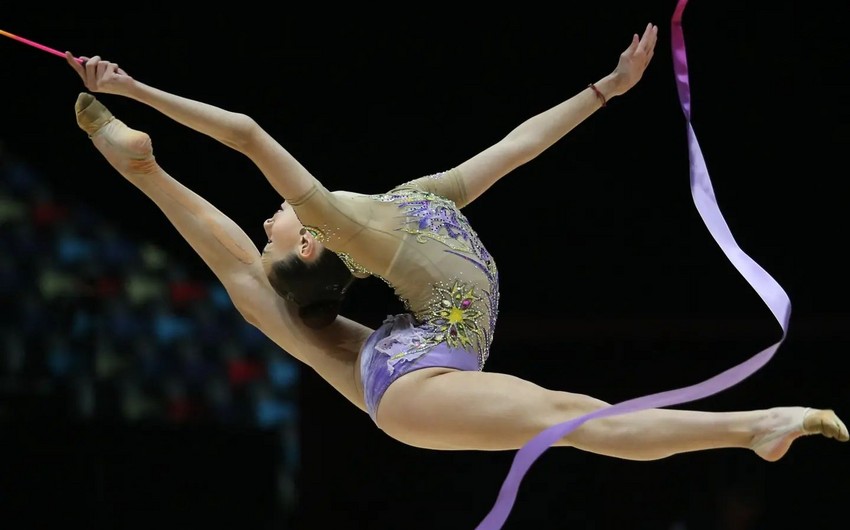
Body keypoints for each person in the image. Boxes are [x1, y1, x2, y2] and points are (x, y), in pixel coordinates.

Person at [64, 19, 845, 516]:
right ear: (310, 246)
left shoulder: (411, 202)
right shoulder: (342, 224)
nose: (271, 217)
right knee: (570, 417)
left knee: (252, 293)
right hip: (418, 379)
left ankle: (143, 169)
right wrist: (132, 87)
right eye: (274, 229)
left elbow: (517, 146)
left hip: (409, 361)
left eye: (266, 224)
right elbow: (244, 131)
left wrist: (604, 90)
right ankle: (753, 428)